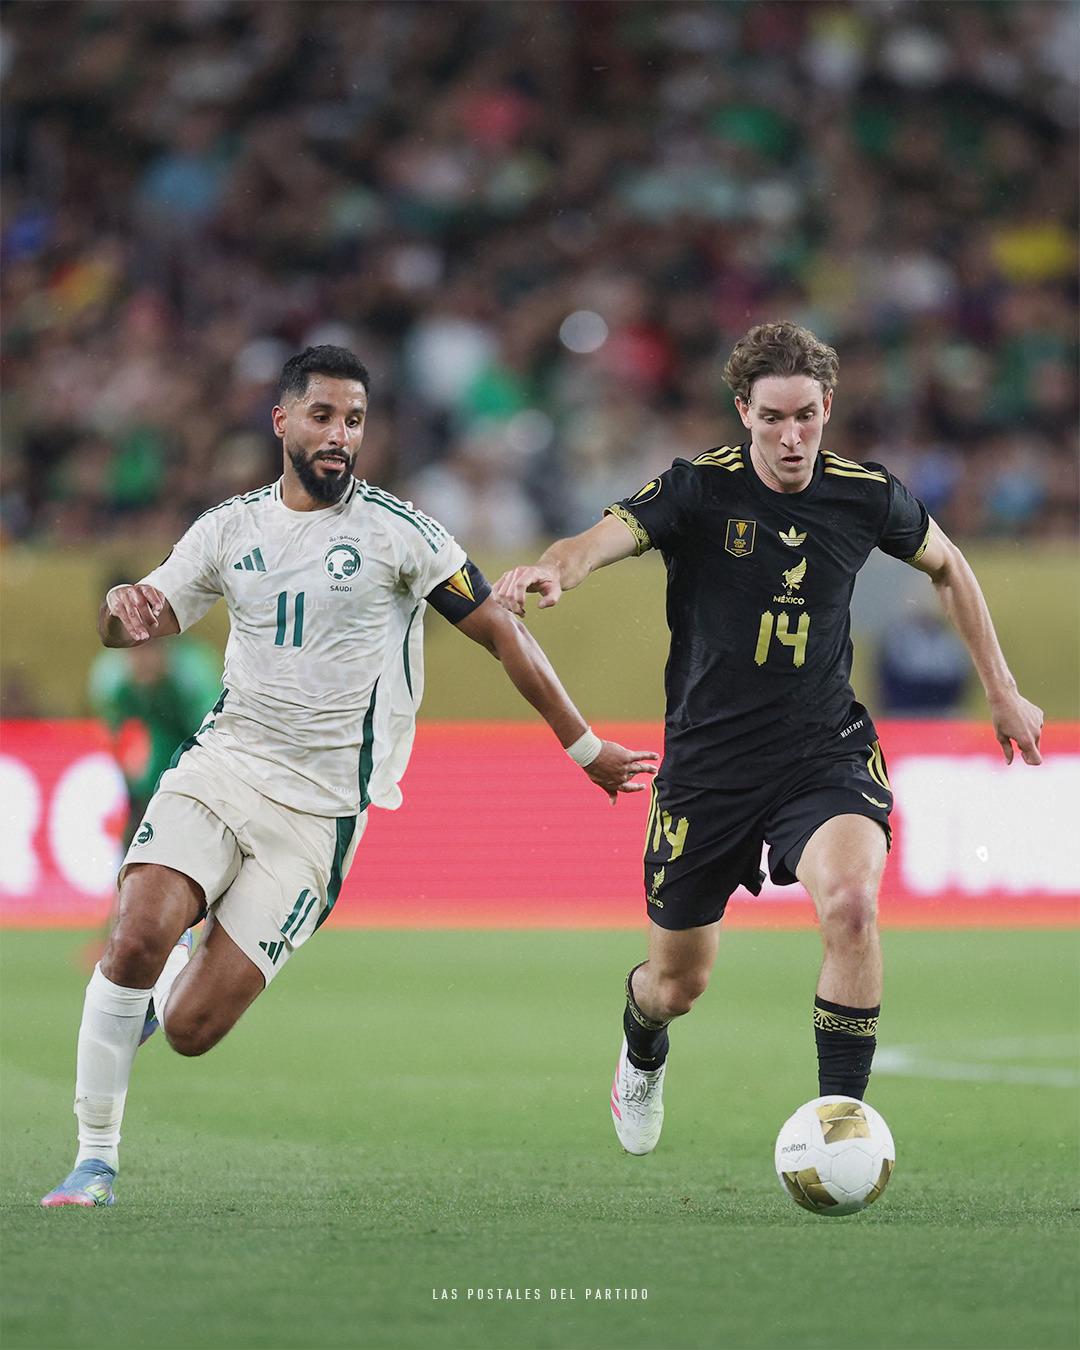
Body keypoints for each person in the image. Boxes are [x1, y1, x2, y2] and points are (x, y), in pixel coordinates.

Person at [41, 344, 656, 1207]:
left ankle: (177, 972)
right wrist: (118, 614)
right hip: (223, 767)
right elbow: (139, 619)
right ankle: (94, 1159)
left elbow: (502, 633)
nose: (340, 435)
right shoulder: (228, 529)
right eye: (324, 416)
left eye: (355, 420)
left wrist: (585, 746)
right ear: (282, 421)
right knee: (134, 933)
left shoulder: (400, 535)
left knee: (187, 1028)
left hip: (319, 818)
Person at [494, 321, 1044, 1156]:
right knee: (677, 985)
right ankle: (642, 1047)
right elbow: (594, 543)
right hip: (708, 768)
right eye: (774, 419)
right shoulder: (696, 490)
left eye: (808, 419)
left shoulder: (864, 493)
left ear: (828, 409)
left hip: (821, 752)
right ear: (743, 409)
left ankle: (842, 1129)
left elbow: (950, 566)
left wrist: (1001, 689)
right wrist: (550, 570)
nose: (792, 439)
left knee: (854, 908)